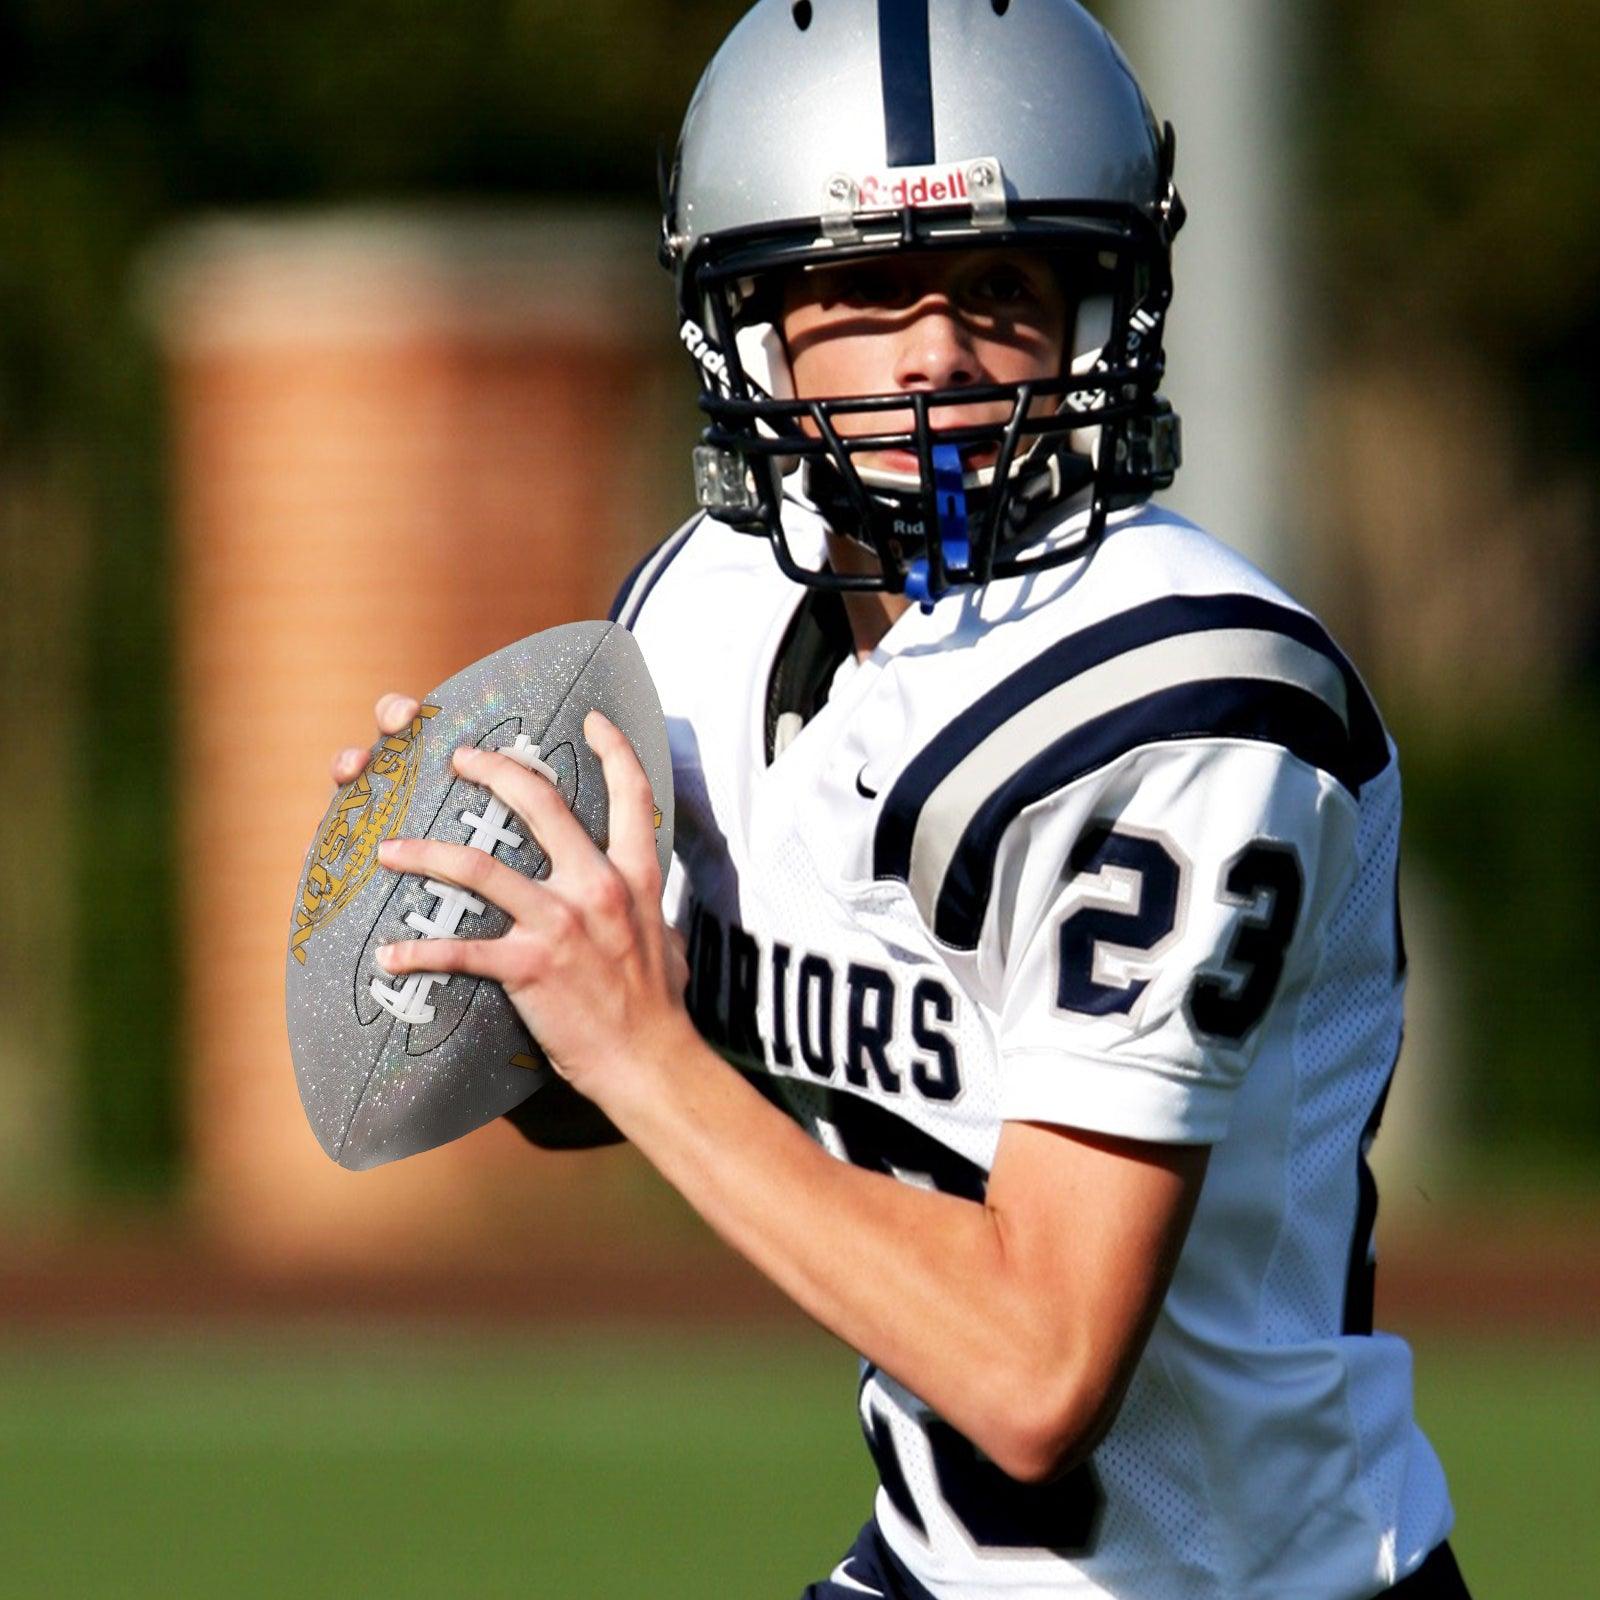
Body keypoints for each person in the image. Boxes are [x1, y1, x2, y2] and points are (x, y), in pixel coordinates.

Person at [333, 2, 1470, 1595]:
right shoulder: (706, 614)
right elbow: (611, 1084)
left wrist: (640, 1049)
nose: (935, 353)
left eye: (1000, 290)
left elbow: (1034, 1373)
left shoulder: (1180, 704)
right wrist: (509, 955)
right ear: (752, 335)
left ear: (1097, 312)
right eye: (865, 292)